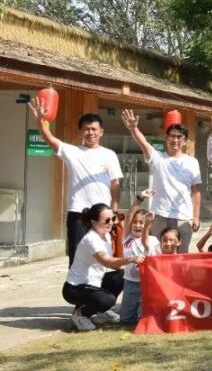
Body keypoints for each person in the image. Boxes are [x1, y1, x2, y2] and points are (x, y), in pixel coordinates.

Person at [29, 98, 122, 266]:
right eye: (86, 129)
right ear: (80, 132)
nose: (90, 132)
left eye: (94, 129)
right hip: (78, 213)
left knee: (103, 257)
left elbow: (115, 184)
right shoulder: (72, 152)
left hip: (103, 214)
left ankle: (97, 282)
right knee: (77, 257)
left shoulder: (110, 155)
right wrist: (41, 121)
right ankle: (76, 283)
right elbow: (49, 138)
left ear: (101, 132)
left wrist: (114, 211)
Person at [120, 109, 201, 252]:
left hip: (183, 217)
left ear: (185, 141)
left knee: (181, 256)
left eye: (179, 137)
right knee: (157, 254)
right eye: (172, 136)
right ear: (166, 137)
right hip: (159, 216)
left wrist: (196, 217)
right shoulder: (158, 158)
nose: (175, 140)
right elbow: (144, 143)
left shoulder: (192, 162)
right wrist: (133, 129)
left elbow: (196, 191)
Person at [63, 204, 135, 331]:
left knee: (123, 276)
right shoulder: (91, 239)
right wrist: (130, 260)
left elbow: (116, 264)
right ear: (94, 222)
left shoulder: (106, 234)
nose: (111, 223)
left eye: (113, 219)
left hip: (95, 283)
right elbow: (107, 262)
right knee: (108, 300)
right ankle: (80, 314)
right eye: (106, 220)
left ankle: (101, 311)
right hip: (75, 288)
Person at [117, 201, 159, 324]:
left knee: (144, 318)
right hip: (130, 282)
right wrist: (139, 199)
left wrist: (147, 224)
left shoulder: (153, 240)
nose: (137, 225)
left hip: (147, 283)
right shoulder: (127, 237)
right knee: (125, 319)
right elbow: (129, 214)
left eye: (142, 222)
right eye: (135, 222)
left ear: (149, 224)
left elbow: (146, 243)